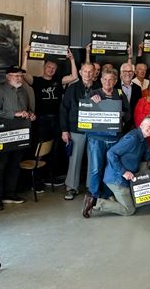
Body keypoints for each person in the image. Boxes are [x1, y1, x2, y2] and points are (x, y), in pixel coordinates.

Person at [82, 117, 150, 218]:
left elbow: (149, 156)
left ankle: (109, 197)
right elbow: (111, 153)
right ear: (141, 125)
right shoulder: (132, 138)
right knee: (129, 210)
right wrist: (123, 172)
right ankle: (95, 202)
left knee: (143, 167)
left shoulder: (144, 139)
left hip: (124, 178)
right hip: (117, 178)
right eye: (149, 126)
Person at [22, 45, 79, 186]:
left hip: (57, 119)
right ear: (44, 67)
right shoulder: (36, 81)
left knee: (55, 149)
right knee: (40, 150)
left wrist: (72, 59)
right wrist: (25, 55)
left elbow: (74, 77)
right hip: (41, 120)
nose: (51, 69)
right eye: (49, 67)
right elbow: (23, 74)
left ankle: (50, 176)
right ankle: (37, 180)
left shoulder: (58, 80)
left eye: (53, 68)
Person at [84, 69, 130, 215]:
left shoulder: (119, 94)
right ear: (101, 80)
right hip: (96, 139)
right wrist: (91, 103)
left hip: (114, 138)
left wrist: (121, 115)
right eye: (105, 79)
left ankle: (106, 194)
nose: (107, 82)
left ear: (115, 81)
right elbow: (85, 111)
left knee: (110, 168)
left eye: (111, 80)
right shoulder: (93, 93)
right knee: (96, 169)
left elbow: (128, 114)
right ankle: (93, 196)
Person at [0, 65, 36, 206]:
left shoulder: (24, 91)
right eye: (16, 75)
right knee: (0, 166)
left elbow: (27, 109)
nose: (19, 78)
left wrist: (30, 114)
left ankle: (10, 193)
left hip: (20, 133)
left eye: (21, 76)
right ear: (8, 77)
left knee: (15, 165)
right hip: (5, 134)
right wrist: (15, 114)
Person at [60, 63, 95, 200]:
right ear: (80, 72)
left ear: (94, 73)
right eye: (85, 71)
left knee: (94, 160)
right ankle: (71, 187)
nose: (87, 74)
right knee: (74, 159)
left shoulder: (100, 88)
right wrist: (64, 130)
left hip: (95, 130)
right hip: (76, 129)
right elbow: (64, 110)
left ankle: (92, 187)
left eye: (90, 71)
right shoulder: (72, 88)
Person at [116, 62, 142, 127]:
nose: (127, 73)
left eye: (130, 71)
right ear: (121, 73)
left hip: (132, 123)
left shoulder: (138, 88)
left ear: (133, 73)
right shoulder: (114, 87)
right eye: (125, 71)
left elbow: (138, 107)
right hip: (117, 121)